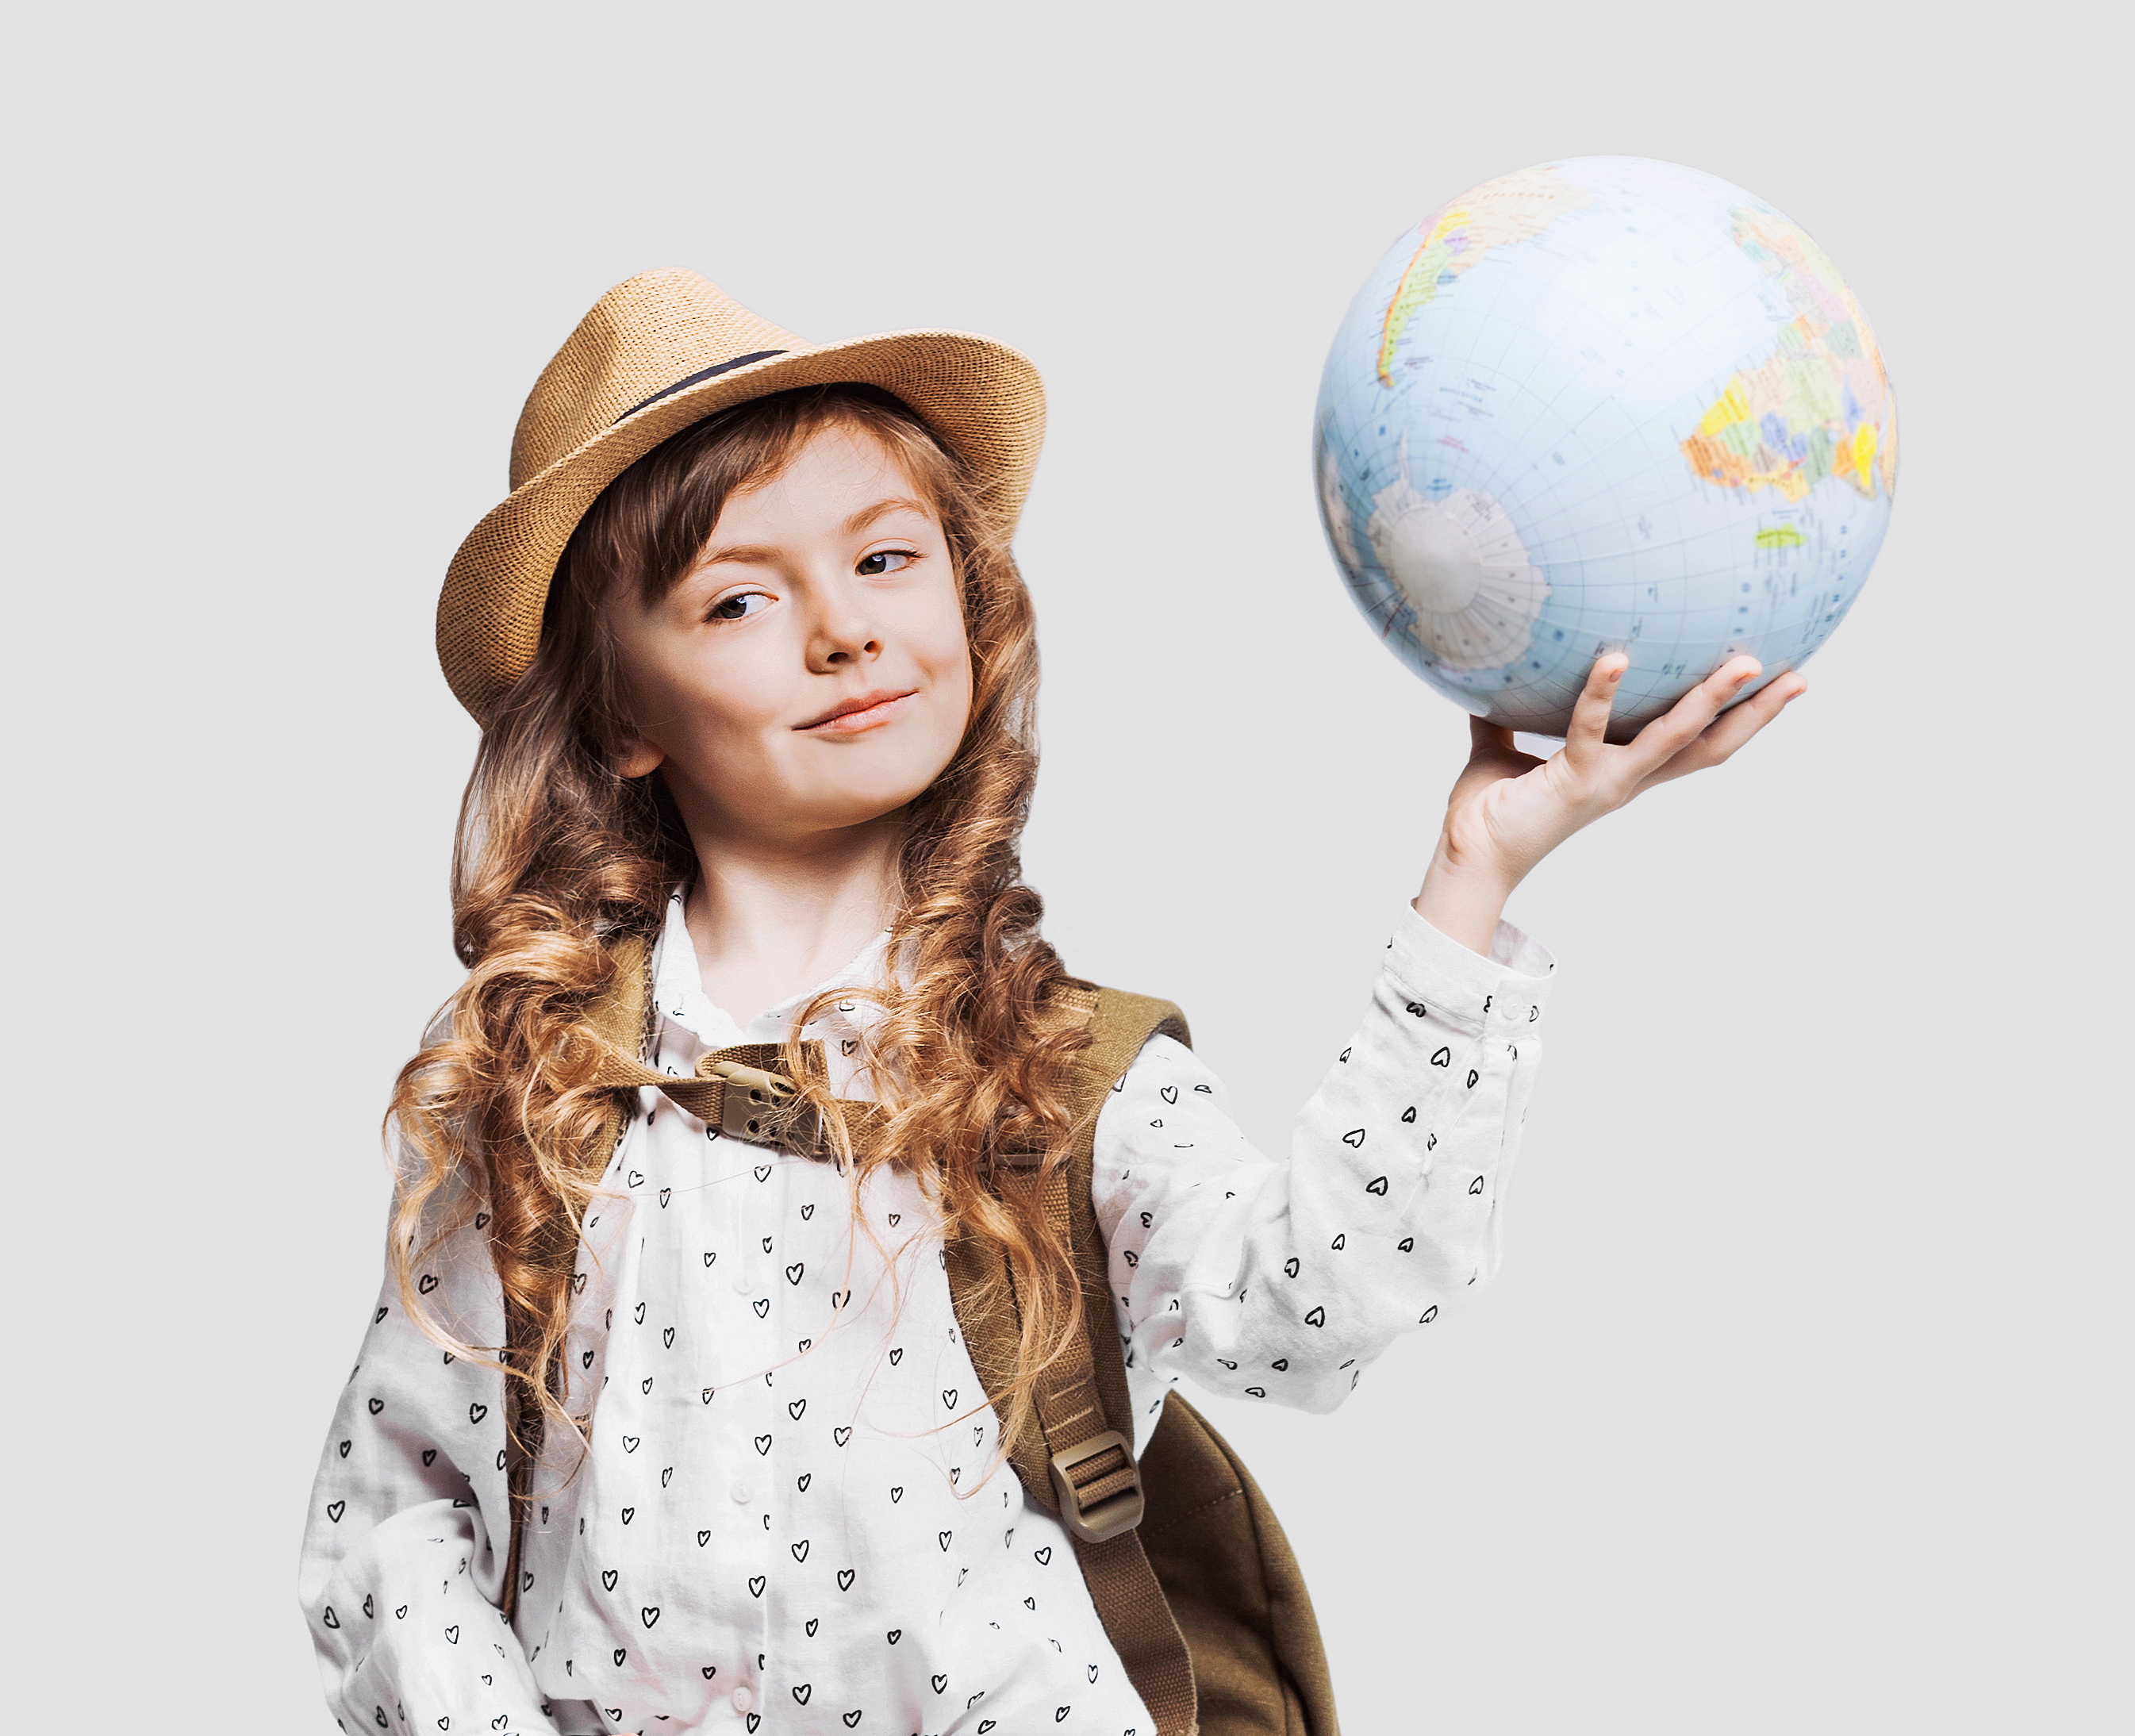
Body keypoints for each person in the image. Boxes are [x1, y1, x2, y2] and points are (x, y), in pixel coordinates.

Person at [297, 269, 1803, 1736]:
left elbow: (1316, 1314)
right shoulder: (536, 1076)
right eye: (742, 598)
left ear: (967, 596)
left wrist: (1472, 876)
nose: (845, 629)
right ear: (623, 713)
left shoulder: (1057, 1077)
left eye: (887, 560)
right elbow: (395, 1518)